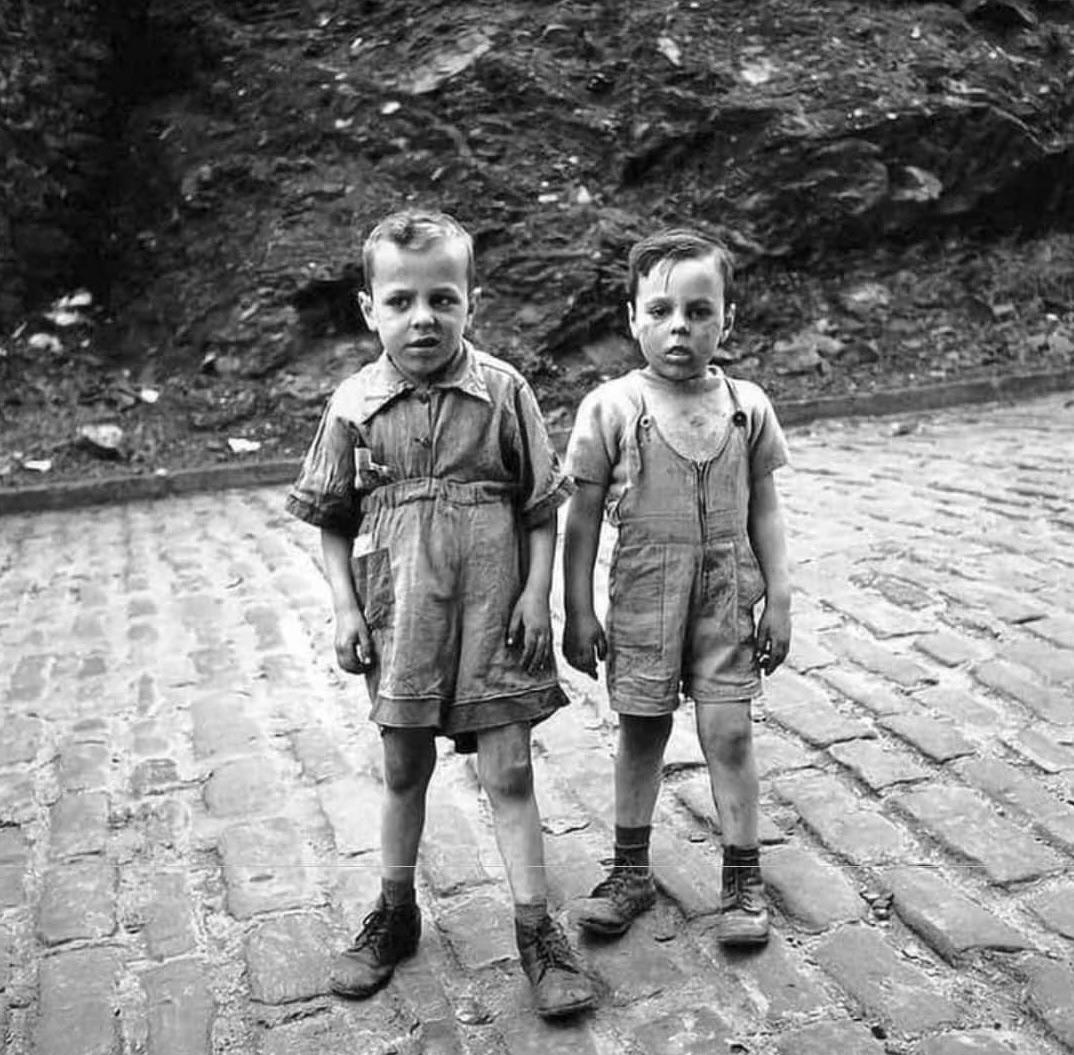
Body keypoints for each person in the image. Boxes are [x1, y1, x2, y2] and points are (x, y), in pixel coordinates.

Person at [286, 210, 596, 1017]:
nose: (422, 318)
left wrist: (537, 594)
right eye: (401, 301)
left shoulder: (502, 392)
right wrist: (344, 608)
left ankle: (538, 930)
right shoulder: (354, 404)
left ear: (470, 301)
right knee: (403, 766)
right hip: (403, 616)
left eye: (442, 299)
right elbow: (330, 515)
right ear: (369, 309)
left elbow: (541, 503)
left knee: (511, 770)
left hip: (497, 611)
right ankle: (394, 912)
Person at [561, 227, 791, 946]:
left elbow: (766, 507)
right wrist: (576, 607)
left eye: (698, 310)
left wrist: (778, 597)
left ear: (729, 318)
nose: (679, 327)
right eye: (659, 311)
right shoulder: (610, 407)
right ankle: (630, 871)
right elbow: (583, 516)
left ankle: (743, 876)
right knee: (642, 729)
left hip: (726, 597)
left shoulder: (747, 405)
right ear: (632, 318)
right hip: (643, 598)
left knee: (728, 731)